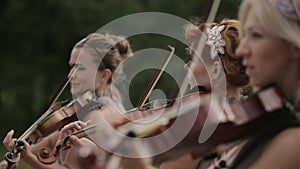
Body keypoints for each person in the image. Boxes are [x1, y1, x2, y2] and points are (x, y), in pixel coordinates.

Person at [72, 19, 250, 169]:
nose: (186, 66)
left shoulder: (205, 124)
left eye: (193, 59)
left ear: (216, 69)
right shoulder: (246, 116)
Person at [0, 32, 133, 169]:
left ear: (104, 75)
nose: (70, 75)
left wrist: (29, 159)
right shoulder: (85, 107)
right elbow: (51, 142)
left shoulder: (102, 115)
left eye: (79, 68)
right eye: (72, 66)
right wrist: (11, 160)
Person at [233, 0, 300, 168]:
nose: (241, 50)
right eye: (244, 36)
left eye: (256, 35)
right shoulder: (273, 122)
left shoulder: (293, 144)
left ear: (294, 46)